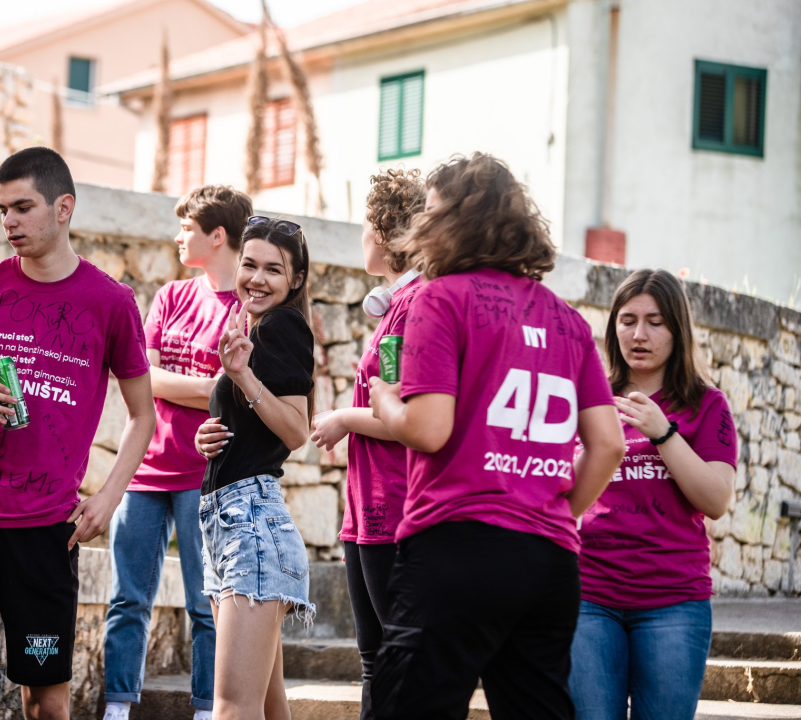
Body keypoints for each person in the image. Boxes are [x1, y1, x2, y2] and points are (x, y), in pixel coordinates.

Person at [368, 153, 626, 720]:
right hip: (550, 562)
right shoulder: (569, 321)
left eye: (430, 211)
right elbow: (608, 445)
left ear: (458, 220)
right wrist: (551, 509)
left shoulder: (442, 298)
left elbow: (429, 429)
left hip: (456, 547)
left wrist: (385, 400)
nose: (417, 225)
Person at [0, 147, 157, 720]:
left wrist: (108, 496)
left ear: (63, 207)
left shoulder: (111, 302)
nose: (9, 223)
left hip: (43, 530)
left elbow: (143, 415)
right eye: (2, 210)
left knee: (46, 701)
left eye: (22, 207)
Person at [103, 186, 252, 720]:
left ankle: (206, 711)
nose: (177, 236)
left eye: (187, 228)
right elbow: (142, 379)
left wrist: (179, 383)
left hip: (205, 476)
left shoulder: (250, 308)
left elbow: (234, 391)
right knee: (126, 601)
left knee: (206, 605)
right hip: (146, 472)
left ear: (217, 236)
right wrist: (205, 384)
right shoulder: (169, 296)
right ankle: (116, 708)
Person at [569, 269, 736, 720]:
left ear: (677, 329)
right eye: (627, 320)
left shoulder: (707, 405)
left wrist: (664, 432)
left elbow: (716, 500)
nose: (639, 334)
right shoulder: (589, 397)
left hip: (673, 602)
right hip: (588, 595)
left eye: (655, 321)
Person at [310, 168, 425, 720]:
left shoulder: (411, 307)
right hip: (366, 511)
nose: (361, 237)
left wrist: (343, 418)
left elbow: (405, 414)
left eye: (365, 226)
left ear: (382, 232)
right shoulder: (395, 305)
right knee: (373, 659)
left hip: (393, 508)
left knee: (392, 660)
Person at [193, 216, 316, 719]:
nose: (257, 279)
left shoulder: (284, 326)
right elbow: (258, 429)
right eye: (249, 265)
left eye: (273, 270)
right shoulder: (253, 328)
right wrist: (209, 435)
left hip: (250, 526)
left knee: (231, 709)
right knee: (267, 708)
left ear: (296, 281)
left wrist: (242, 378)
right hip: (230, 524)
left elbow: (295, 430)